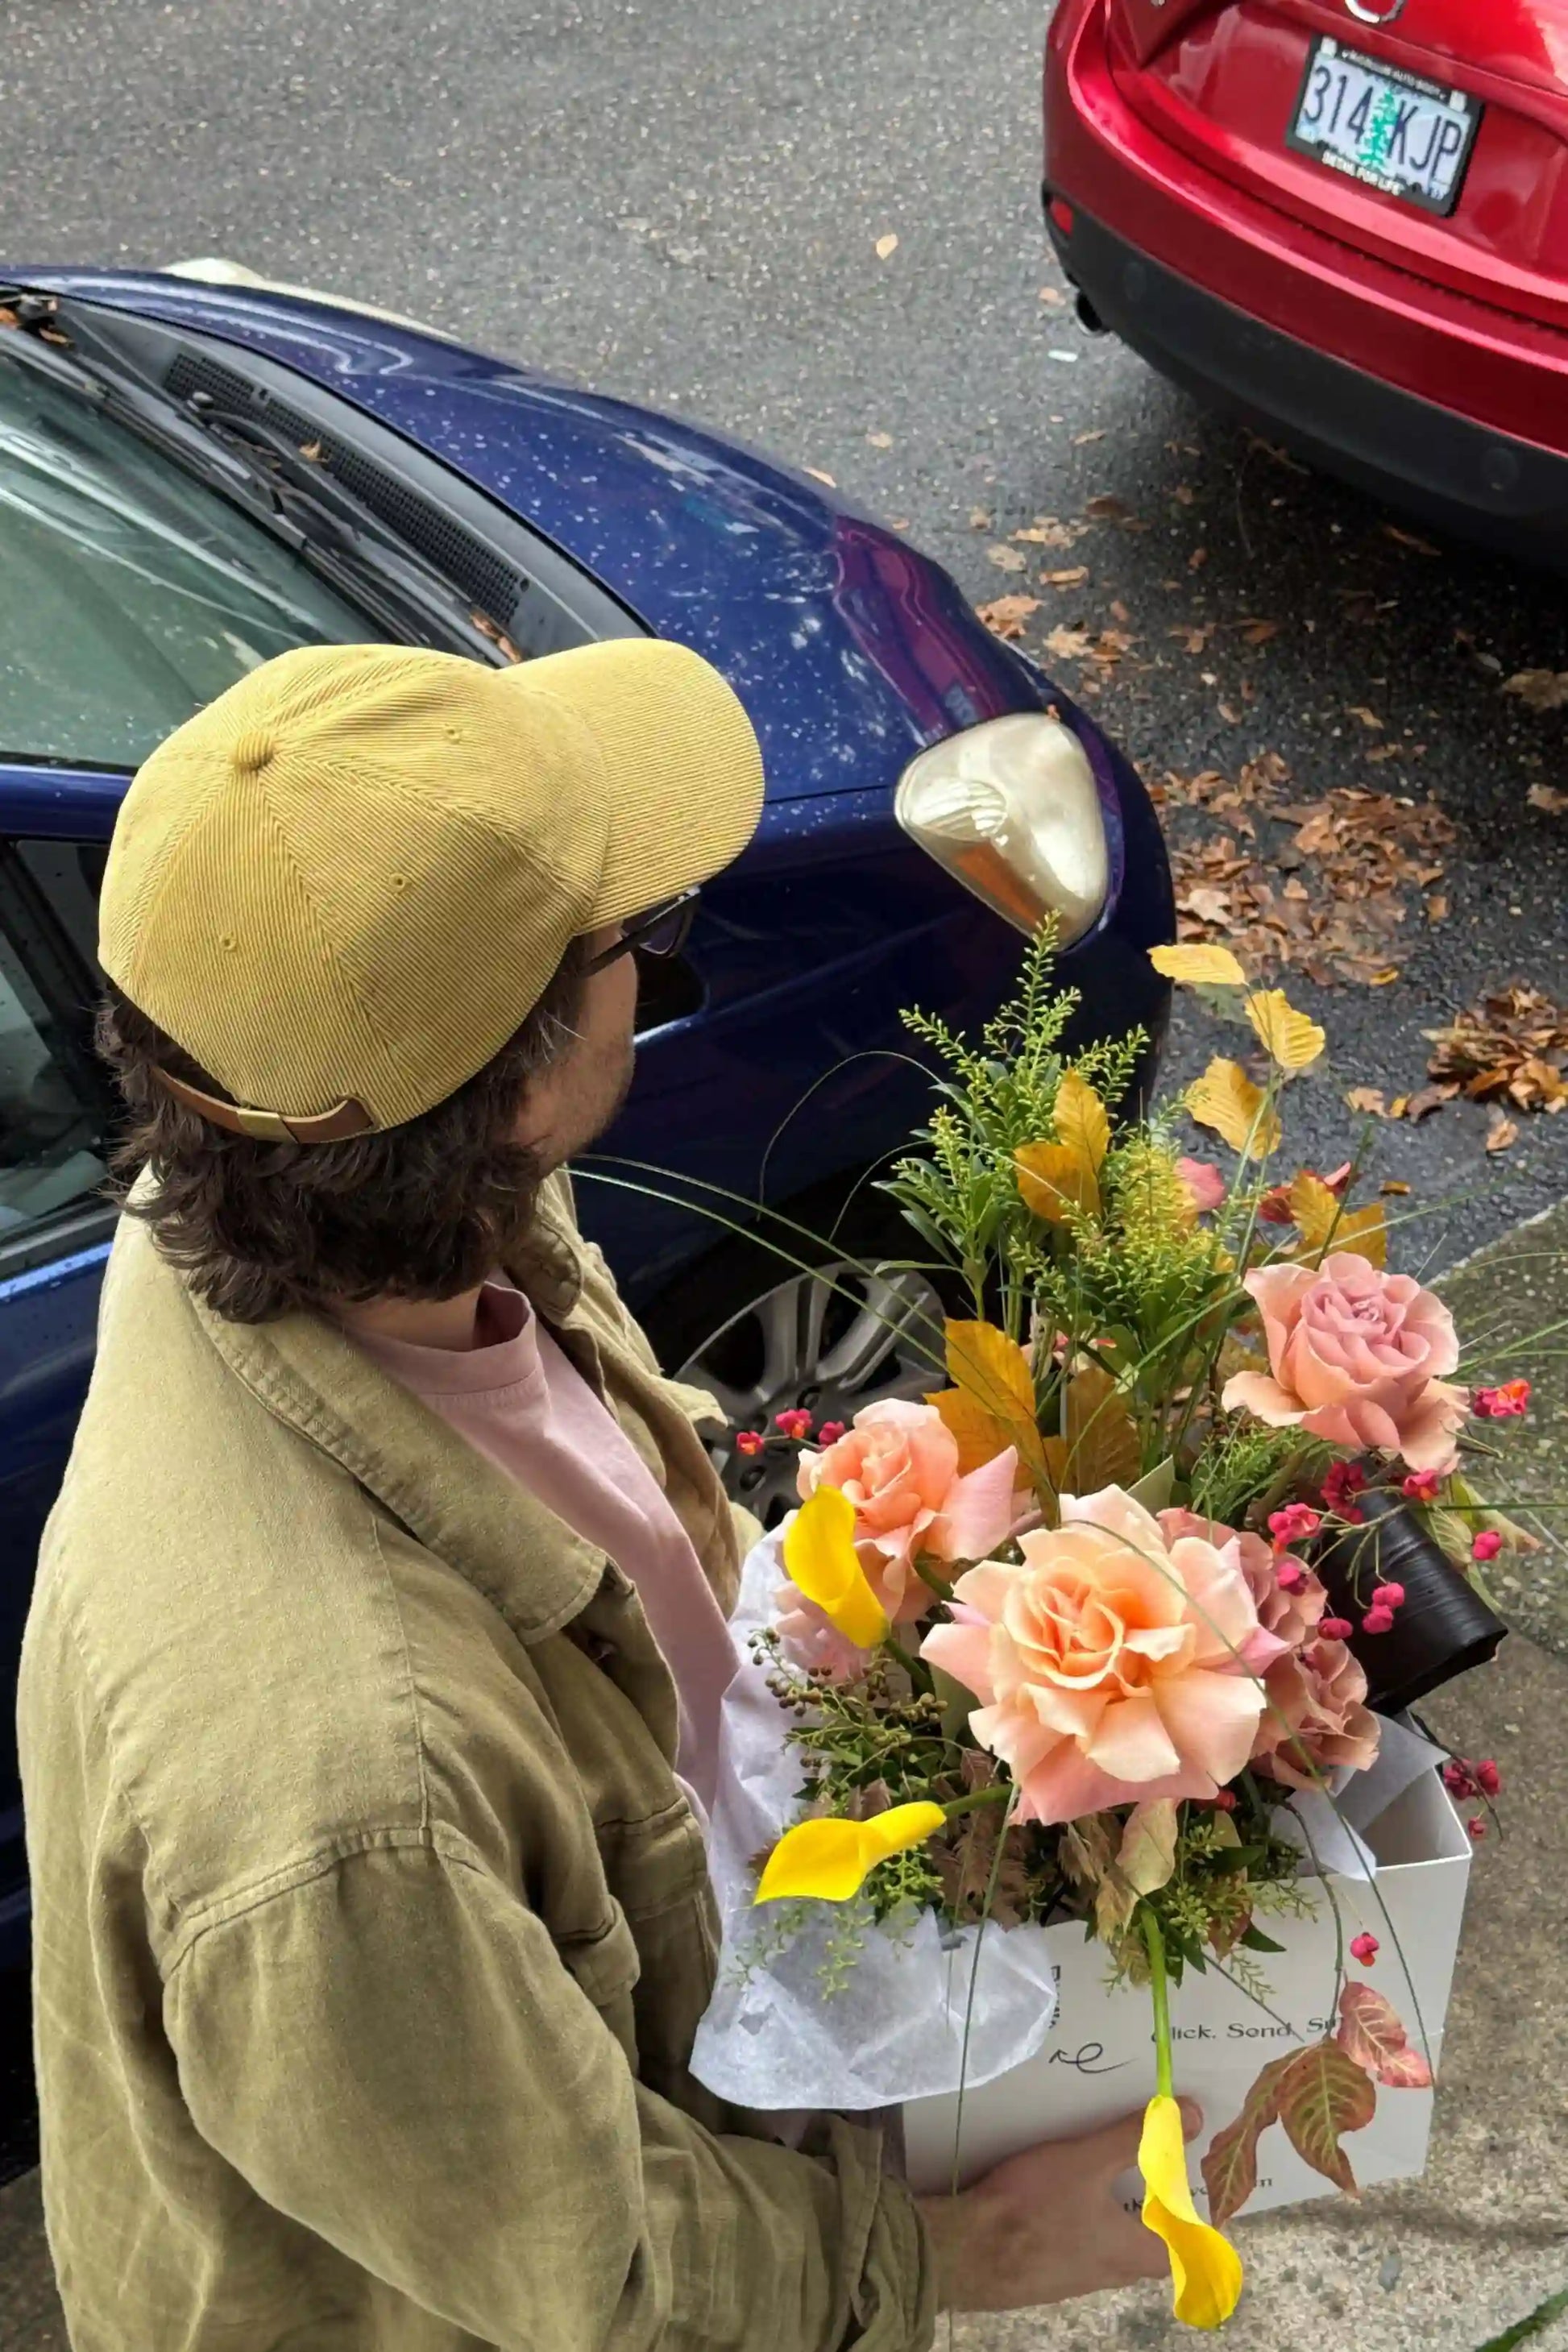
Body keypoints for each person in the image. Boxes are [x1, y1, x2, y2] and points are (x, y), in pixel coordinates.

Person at [18, 637, 1185, 2350]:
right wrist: (966, 2249)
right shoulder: (348, 1807)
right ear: (524, 1074)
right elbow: (600, 2267)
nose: (656, 960)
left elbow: (609, 1541)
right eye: (631, 940)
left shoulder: (304, 1190)